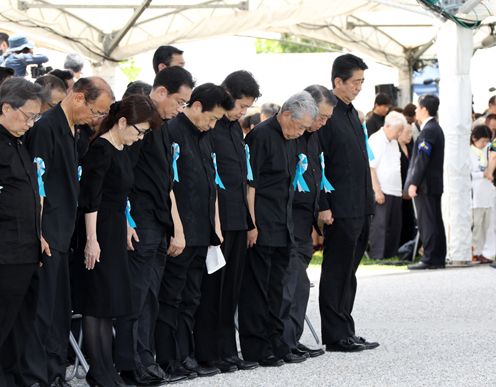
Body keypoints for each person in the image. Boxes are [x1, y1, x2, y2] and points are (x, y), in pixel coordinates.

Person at [19, 77, 113, 387]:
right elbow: (37, 184)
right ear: (78, 97)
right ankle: (40, 375)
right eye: (96, 111)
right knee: (44, 309)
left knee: (59, 309)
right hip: (47, 232)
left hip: (64, 231)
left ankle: (55, 371)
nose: (96, 118)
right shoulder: (46, 127)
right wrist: (39, 231)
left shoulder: (75, 131)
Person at [114, 66, 195, 386]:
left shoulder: (162, 126)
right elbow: (120, 178)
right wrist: (126, 220)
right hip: (140, 221)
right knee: (136, 296)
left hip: (158, 221)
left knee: (151, 295)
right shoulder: (137, 121)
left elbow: (166, 183)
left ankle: (145, 359)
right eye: (179, 100)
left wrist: (176, 226)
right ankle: (131, 363)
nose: (180, 108)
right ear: (160, 92)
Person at [78, 95, 160, 387]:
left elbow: (120, 196)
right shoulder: (100, 149)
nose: (140, 138)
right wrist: (91, 239)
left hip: (114, 229)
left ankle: (105, 368)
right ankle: (98, 370)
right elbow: (91, 198)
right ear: (123, 122)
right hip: (97, 229)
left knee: (110, 300)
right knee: (96, 302)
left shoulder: (124, 148)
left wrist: (127, 225)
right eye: (139, 131)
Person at [155, 83, 233, 379]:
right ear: (196, 106)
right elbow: (169, 186)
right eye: (212, 118)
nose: (213, 125)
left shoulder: (205, 135)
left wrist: (215, 227)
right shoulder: (171, 132)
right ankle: (167, 358)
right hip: (180, 231)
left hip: (202, 231)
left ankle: (185, 354)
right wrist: (177, 229)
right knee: (171, 297)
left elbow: (210, 184)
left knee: (191, 298)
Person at [238, 91, 318, 366]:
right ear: (285, 114)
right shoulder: (261, 136)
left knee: (280, 288)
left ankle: (280, 342)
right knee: (258, 289)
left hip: (284, 223)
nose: (300, 133)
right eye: (298, 126)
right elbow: (250, 185)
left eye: (305, 128)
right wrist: (253, 225)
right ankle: (257, 348)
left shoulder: (292, 139)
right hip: (262, 223)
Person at [194, 70, 261, 373]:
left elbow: (243, 179)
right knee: (213, 289)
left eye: (248, 108)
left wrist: (250, 222)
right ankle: (209, 352)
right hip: (217, 220)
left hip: (237, 218)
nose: (243, 112)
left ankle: (227, 348)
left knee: (231, 288)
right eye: (241, 106)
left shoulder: (235, 128)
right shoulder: (211, 126)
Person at [318, 53, 378, 352]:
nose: (359, 88)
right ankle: (334, 333)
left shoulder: (353, 113)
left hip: (360, 204)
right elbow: (319, 164)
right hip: (340, 206)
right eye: (355, 82)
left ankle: (346, 328)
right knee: (336, 270)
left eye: (362, 82)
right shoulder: (327, 115)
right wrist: (324, 204)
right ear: (337, 81)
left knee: (350, 272)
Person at [280, 85, 337, 360]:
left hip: (305, 218)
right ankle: (284, 342)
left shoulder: (313, 135)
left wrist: (322, 207)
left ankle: (292, 338)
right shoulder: (291, 133)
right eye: (321, 116)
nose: (322, 123)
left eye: (326, 118)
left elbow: (316, 171)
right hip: (288, 217)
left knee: (299, 281)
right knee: (293, 282)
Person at [0, 78, 45, 387]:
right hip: (5, 253)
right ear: (5, 108)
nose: (31, 123)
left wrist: (38, 237)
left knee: (20, 325)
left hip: (27, 250)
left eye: (35, 117)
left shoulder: (18, 142)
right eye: (28, 116)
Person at [406, 94, 447, 270]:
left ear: (424, 109)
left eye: (417, 107)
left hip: (426, 184)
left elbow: (422, 158)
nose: (415, 110)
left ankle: (430, 257)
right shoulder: (434, 127)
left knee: (428, 221)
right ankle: (437, 256)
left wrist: (413, 182)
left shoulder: (428, 130)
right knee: (435, 220)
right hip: (433, 182)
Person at [368, 111, 407, 259]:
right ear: (388, 126)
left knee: (394, 226)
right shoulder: (376, 139)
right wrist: (377, 190)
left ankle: (390, 254)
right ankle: (377, 255)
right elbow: (371, 167)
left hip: (395, 190)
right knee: (380, 226)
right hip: (382, 189)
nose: (399, 134)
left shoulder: (394, 142)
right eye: (398, 130)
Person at [470, 125, 494, 264]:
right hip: (476, 196)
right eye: (483, 141)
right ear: (474, 138)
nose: (485, 144)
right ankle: (473, 251)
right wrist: (482, 174)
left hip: (487, 194)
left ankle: (482, 252)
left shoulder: (489, 151)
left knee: (486, 226)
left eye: (487, 141)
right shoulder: (468, 152)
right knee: (476, 226)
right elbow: (468, 173)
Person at [398, 122, 416, 246]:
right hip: (398, 187)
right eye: (407, 132)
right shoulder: (395, 147)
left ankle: (409, 244)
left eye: (411, 133)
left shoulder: (410, 147)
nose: (410, 135)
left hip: (408, 187)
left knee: (410, 217)